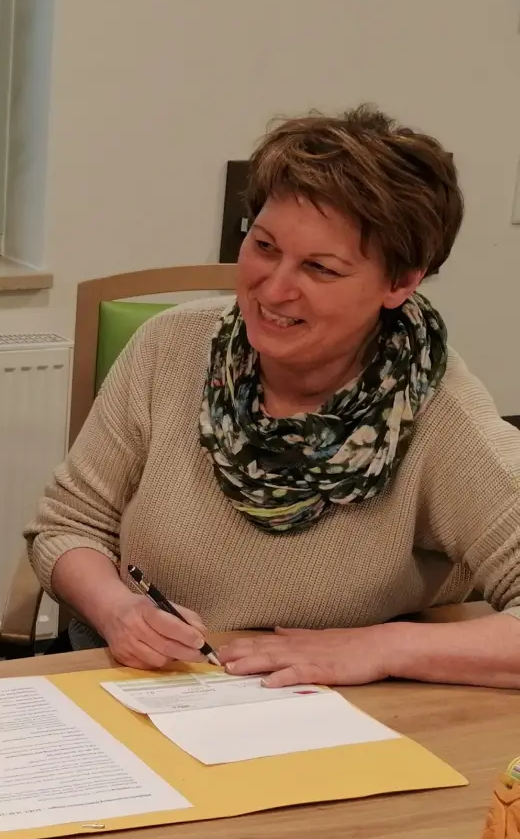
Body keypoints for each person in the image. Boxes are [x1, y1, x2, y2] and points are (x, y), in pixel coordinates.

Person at [26, 105, 520, 690]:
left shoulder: (443, 415)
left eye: (320, 268)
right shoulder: (171, 347)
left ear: (401, 282)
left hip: (346, 709)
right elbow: (66, 526)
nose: (274, 289)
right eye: (263, 246)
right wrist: (116, 608)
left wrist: (383, 646)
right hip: (149, 683)